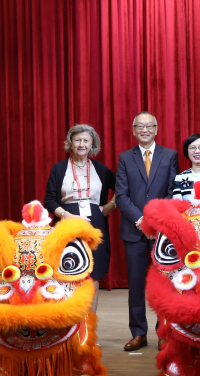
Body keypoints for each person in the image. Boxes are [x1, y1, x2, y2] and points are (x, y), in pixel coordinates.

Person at [115, 111, 179, 351]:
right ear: (133, 130)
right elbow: (121, 195)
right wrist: (142, 220)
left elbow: (172, 192)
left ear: (156, 129)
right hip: (133, 231)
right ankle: (138, 333)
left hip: (163, 233)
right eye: (139, 126)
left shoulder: (170, 155)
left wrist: (157, 222)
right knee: (135, 284)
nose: (144, 130)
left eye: (149, 126)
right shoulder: (124, 157)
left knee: (164, 284)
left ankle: (164, 332)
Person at [44, 124, 116, 313]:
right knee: (66, 271)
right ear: (70, 143)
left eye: (86, 140)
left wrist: (109, 206)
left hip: (95, 225)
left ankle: (88, 327)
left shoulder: (101, 169)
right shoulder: (59, 169)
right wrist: (66, 215)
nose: (82, 144)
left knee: (93, 274)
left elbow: (121, 189)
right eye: (77, 140)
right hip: (66, 225)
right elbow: (49, 200)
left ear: (92, 144)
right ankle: (68, 325)